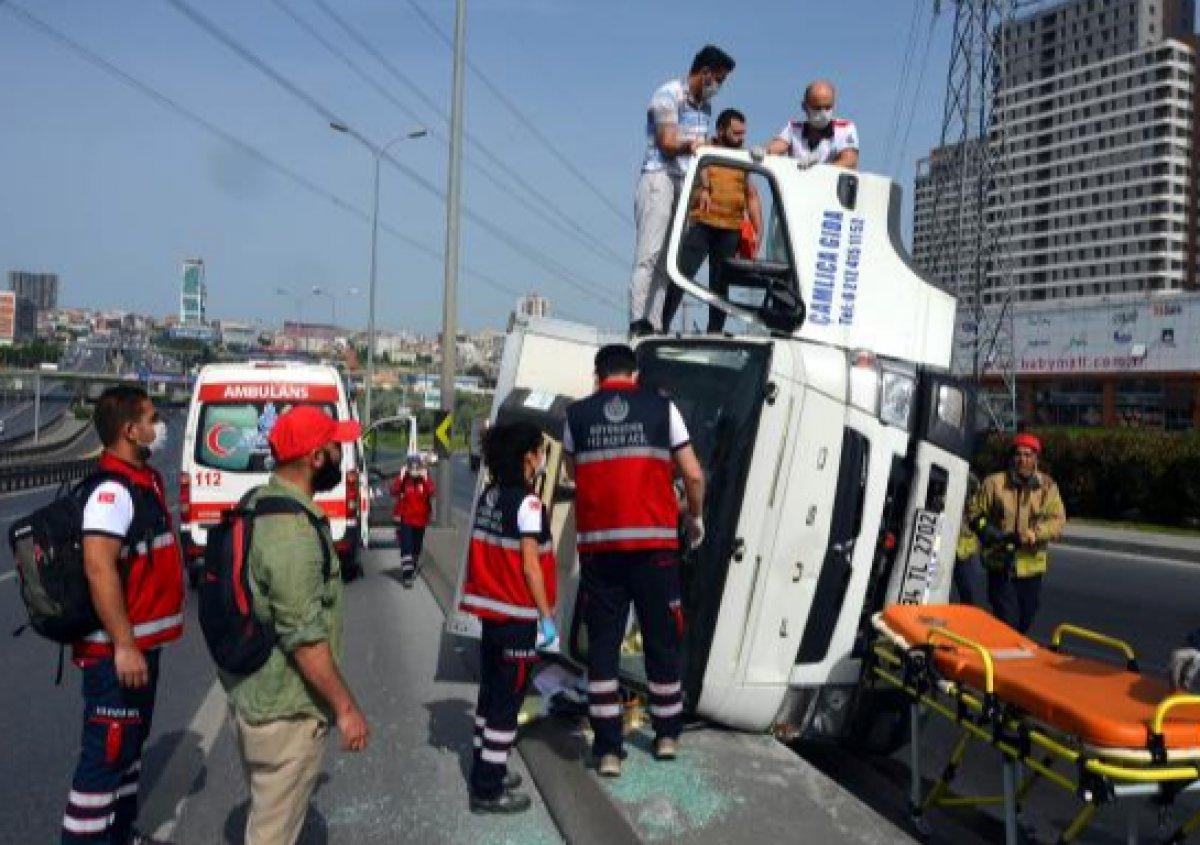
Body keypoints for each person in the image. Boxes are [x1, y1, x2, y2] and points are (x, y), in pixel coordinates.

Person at [220, 405, 370, 845]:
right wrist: (346, 708)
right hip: (285, 711)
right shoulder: (292, 533)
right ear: (315, 457)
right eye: (336, 447)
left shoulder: (256, 504)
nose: (342, 455)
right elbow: (303, 638)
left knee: (268, 817)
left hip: (255, 696)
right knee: (272, 835)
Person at [563, 344, 706, 777]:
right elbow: (693, 474)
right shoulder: (664, 410)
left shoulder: (576, 416)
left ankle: (608, 750)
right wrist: (694, 517)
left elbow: (575, 473)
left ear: (597, 375)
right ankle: (666, 736)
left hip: (601, 553)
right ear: (635, 374)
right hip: (655, 551)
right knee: (662, 641)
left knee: (603, 649)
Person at [61, 386, 183, 845]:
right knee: (102, 766)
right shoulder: (113, 491)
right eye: (153, 418)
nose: (160, 426)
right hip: (116, 655)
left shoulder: (141, 479)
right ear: (131, 431)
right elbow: (98, 566)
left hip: (140, 650)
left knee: (128, 755)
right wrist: (125, 645)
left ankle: (120, 835)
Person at [459, 422, 558, 814]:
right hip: (518, 617)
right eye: (540, 451)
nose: (542, 459)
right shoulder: (529, 504)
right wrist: (547, 618)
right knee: (506, 704)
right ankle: (487, 789)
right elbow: (532, 568)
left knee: (491, 694)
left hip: (493, 615)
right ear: (528, 457)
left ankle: (489, 765)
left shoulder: (490, 495)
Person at [630, 44, 737, 336]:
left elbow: (700, 154)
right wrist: (689, 145)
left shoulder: (705, 108)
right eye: (718, 79)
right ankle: (637, 320)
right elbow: (667, 142)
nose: (719, 86)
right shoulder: (668, 95)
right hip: (659, 177)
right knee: (648, 255)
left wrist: (703, 185)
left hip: (684, 182)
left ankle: (654, 324)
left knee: (668, 261)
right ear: (704, 73)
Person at [662, 108, 763, 333]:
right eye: (736, 133)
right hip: (703, 224)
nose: (741, 138)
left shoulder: (743, 158)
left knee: (720, 285)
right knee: (681, 275)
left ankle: (715, 331)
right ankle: (662, 324)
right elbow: (701, 167)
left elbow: (752, 196)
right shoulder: (705, 150)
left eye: (743, 133)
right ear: (721, 130)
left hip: (730, 229)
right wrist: (706, 187)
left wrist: (758, 233)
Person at [967, 432, 1066, 634]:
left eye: (1028, 455)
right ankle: (999, 660)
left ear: (1036, 459)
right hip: (1001, 564)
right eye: (1019, 454)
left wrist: (1035, 533)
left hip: (1031, 566)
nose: (1023, 459)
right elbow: (974, 511)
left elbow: (1057, 520)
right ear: (1012, 457)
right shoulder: (994, 483)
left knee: (1025, 619)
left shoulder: (1047, 486)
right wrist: (988, 530)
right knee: (1007, 621)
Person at [766, 79, 860, 169]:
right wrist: (763, 152)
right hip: (798, 183)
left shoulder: (845, 128)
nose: (823, 114)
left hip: (830, 184)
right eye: (817, 108)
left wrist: (818, 169)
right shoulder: (793, 128)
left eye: (827, 107)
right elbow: (777, 147)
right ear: (805, 107)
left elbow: (850, 160)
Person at [391, 454, 436, 588]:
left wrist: (426, 477)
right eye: (412, 468)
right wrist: (401, 476)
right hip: (407, 520)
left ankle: (413, 565)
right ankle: (407, 575)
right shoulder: (405, 480)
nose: (414, 471)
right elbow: (393, 491)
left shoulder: (424, 480)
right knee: (407, 547)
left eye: (417, 467)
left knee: (416, 548)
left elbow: (432, 492)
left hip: (421, 521)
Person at [952, 473, 986, 607]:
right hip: (943, 546)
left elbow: (979, 512)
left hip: (965, 549)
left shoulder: (972, 481)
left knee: (967, 593)